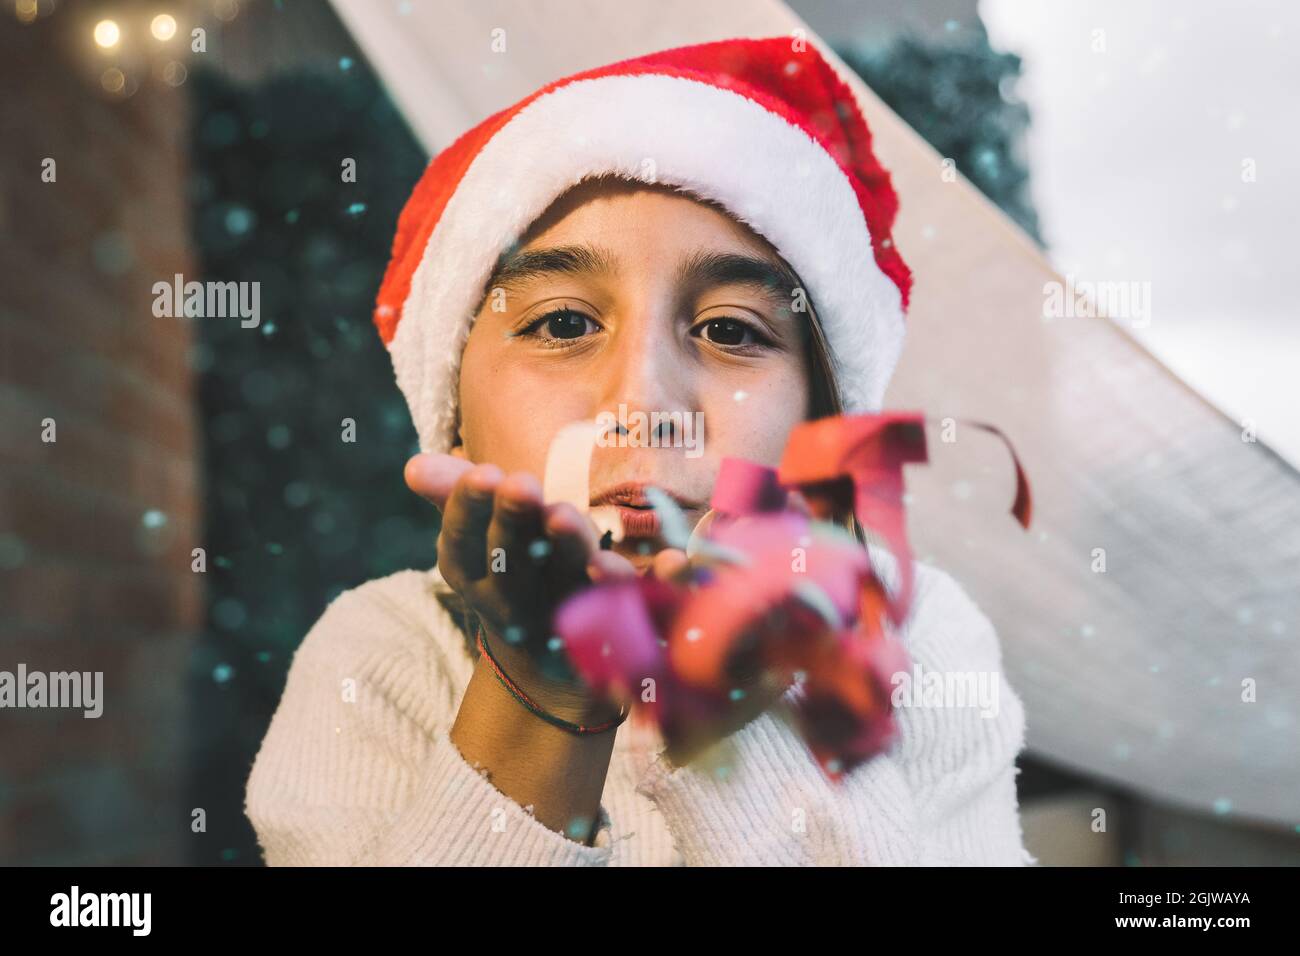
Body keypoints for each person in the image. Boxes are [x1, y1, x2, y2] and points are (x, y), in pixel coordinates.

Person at [244, 35, 1035, 866]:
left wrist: (721, 726)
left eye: (730, 330)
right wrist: (540, 700)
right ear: (453, 417)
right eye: (562, 324)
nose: (645, 405)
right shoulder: (381, 657)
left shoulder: (924, 644)